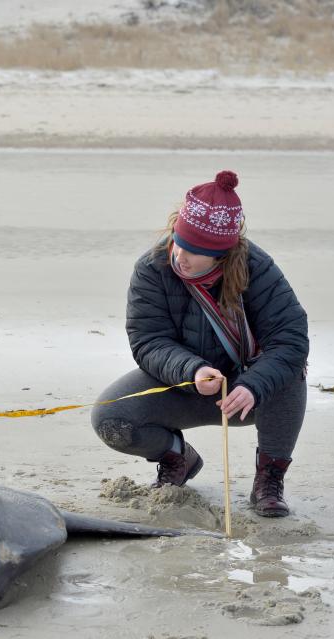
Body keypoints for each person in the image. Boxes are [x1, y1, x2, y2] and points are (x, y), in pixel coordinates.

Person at [90, 171, 308, 517]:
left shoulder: (258, 269)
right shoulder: (152, 268)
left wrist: (253, 385)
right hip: (185, 383)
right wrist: (192, 369)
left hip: (245, 391)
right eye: (180, 241)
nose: (181, 255)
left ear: (221, 255)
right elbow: (148, 341)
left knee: (289, 373)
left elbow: (291, 340)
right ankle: (177, 457)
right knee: (111, 417)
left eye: (195, 250)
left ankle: (269, 478)